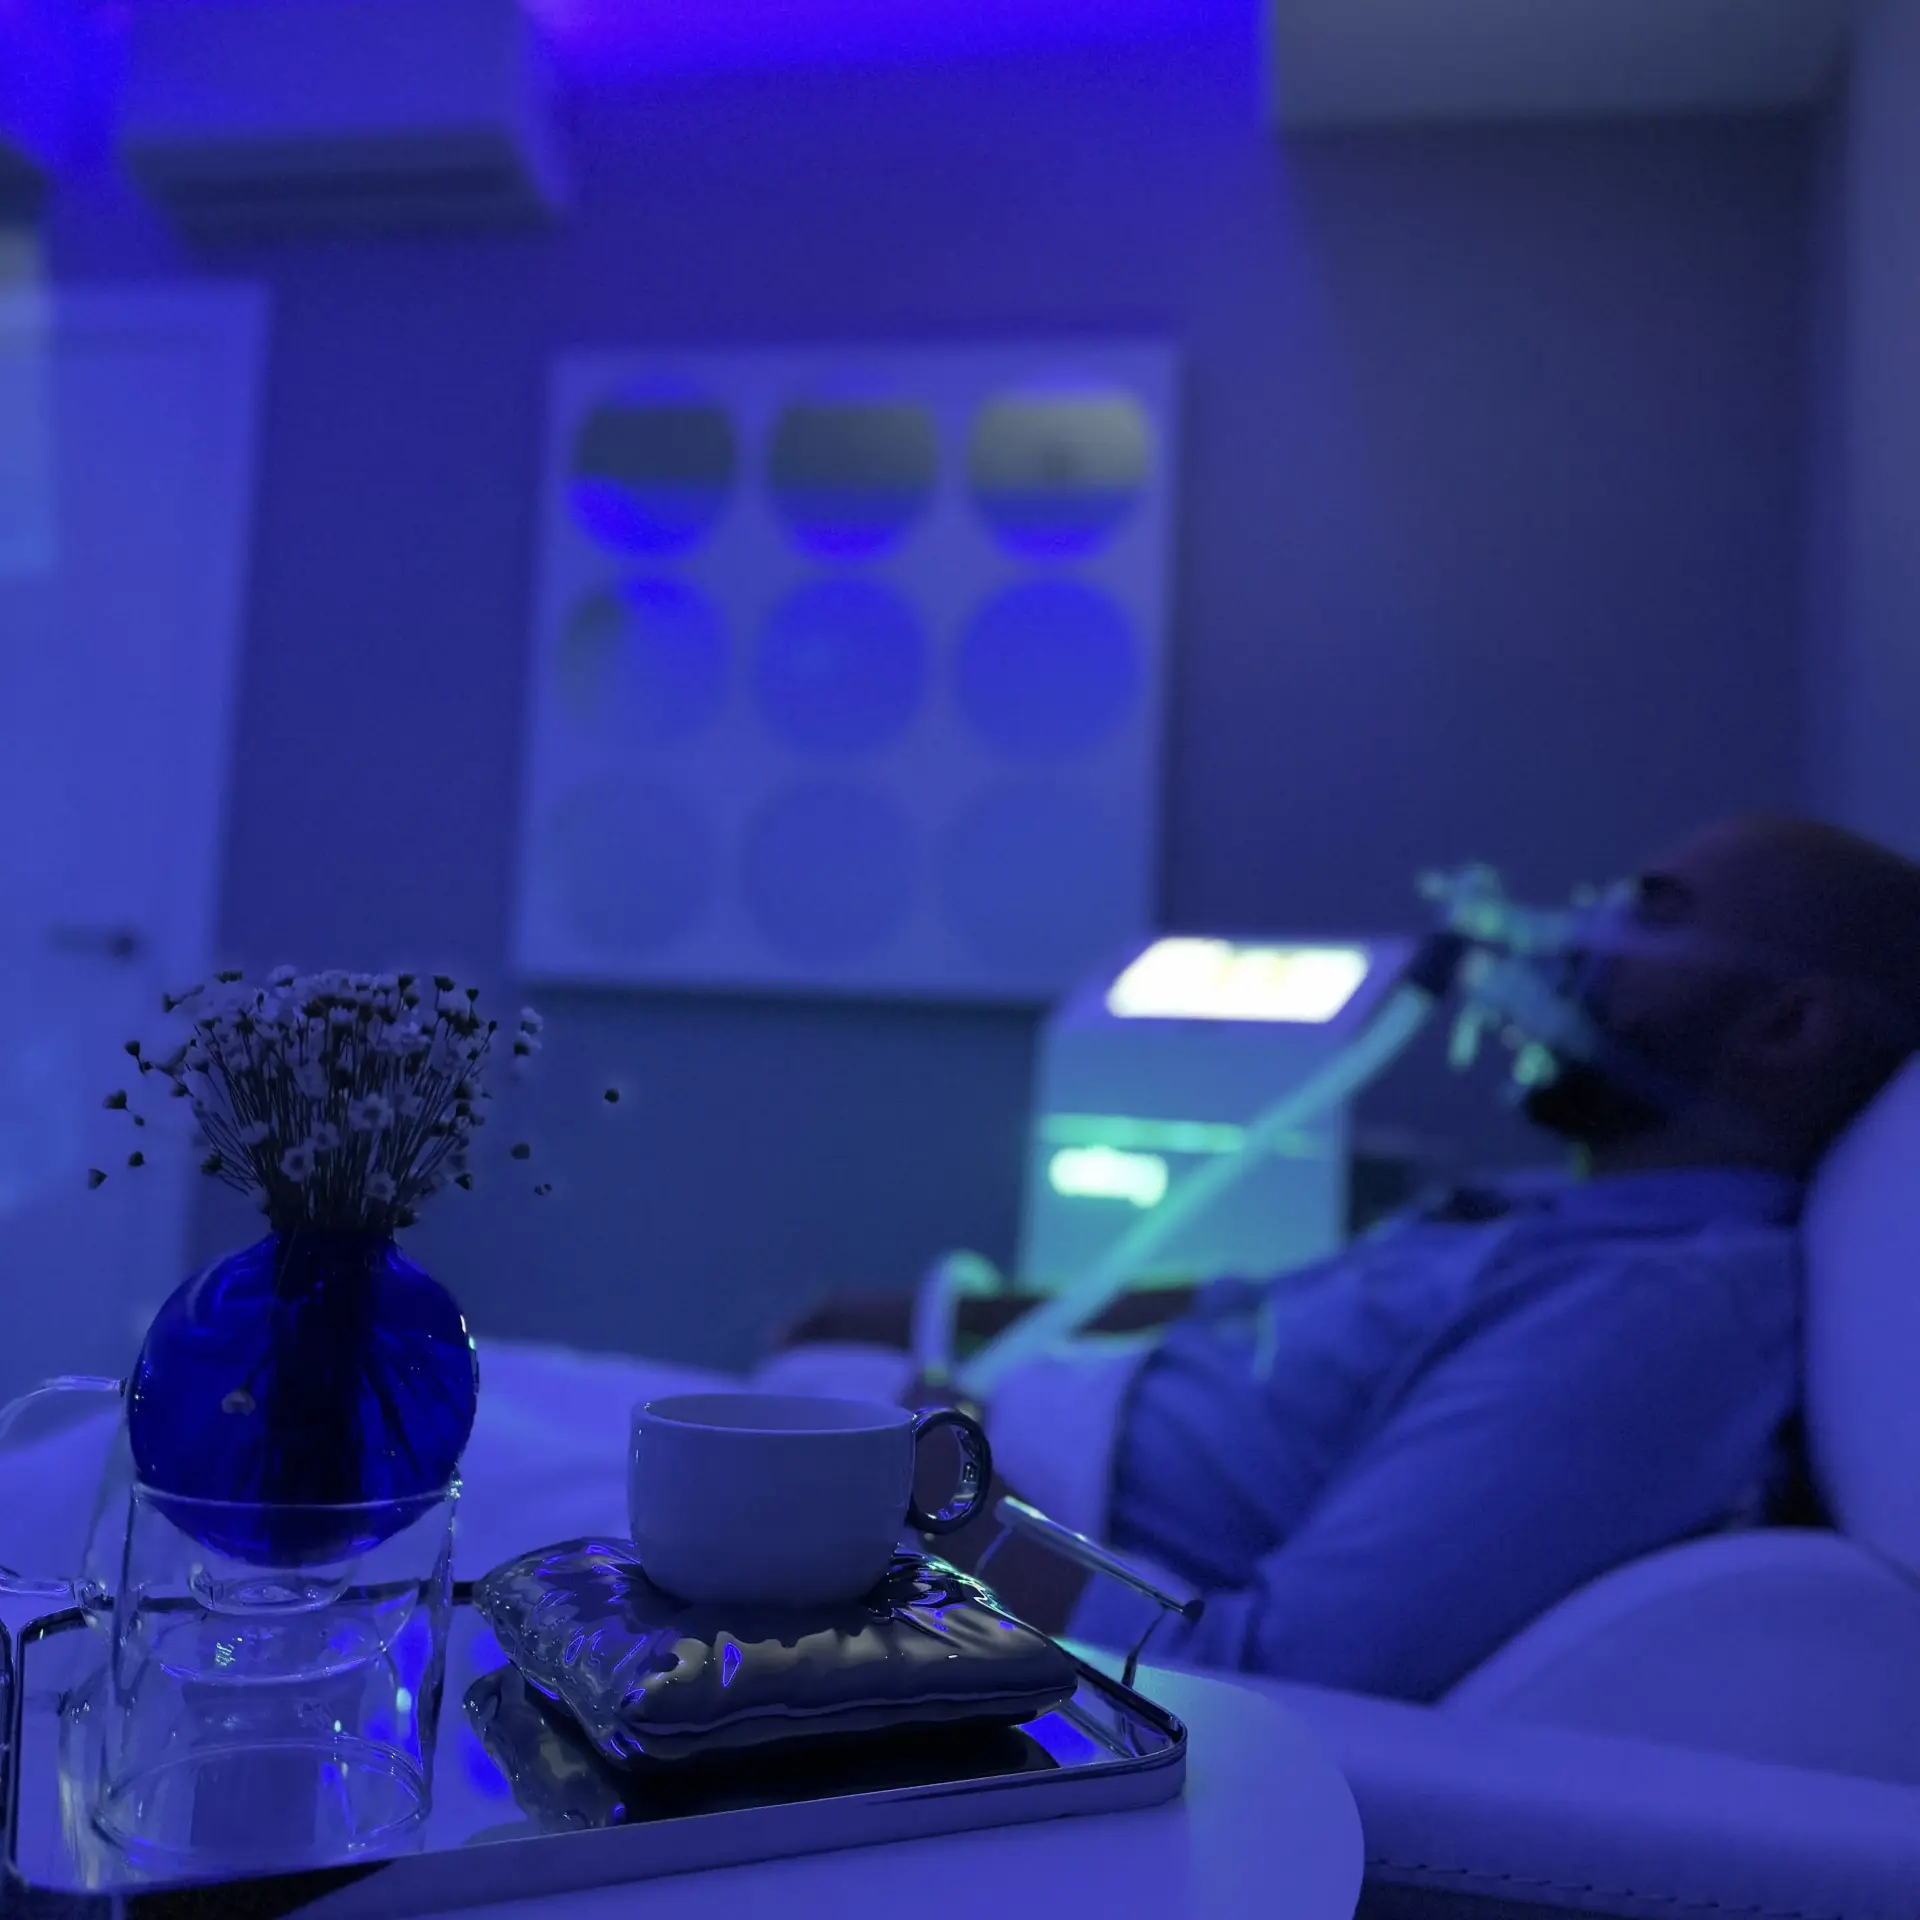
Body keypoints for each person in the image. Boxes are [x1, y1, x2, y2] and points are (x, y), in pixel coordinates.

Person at [937, 815, 1920, 1700]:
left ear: (1788, 1029)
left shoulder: (1652, 1321)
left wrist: (927, 1486)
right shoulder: (1568, 1214)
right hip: (993, 1438)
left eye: (1654, 916)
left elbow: (1258, 1677)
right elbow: (1231, 1312)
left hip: (1007, 1519)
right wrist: (935, 1324)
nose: (1578, 936)